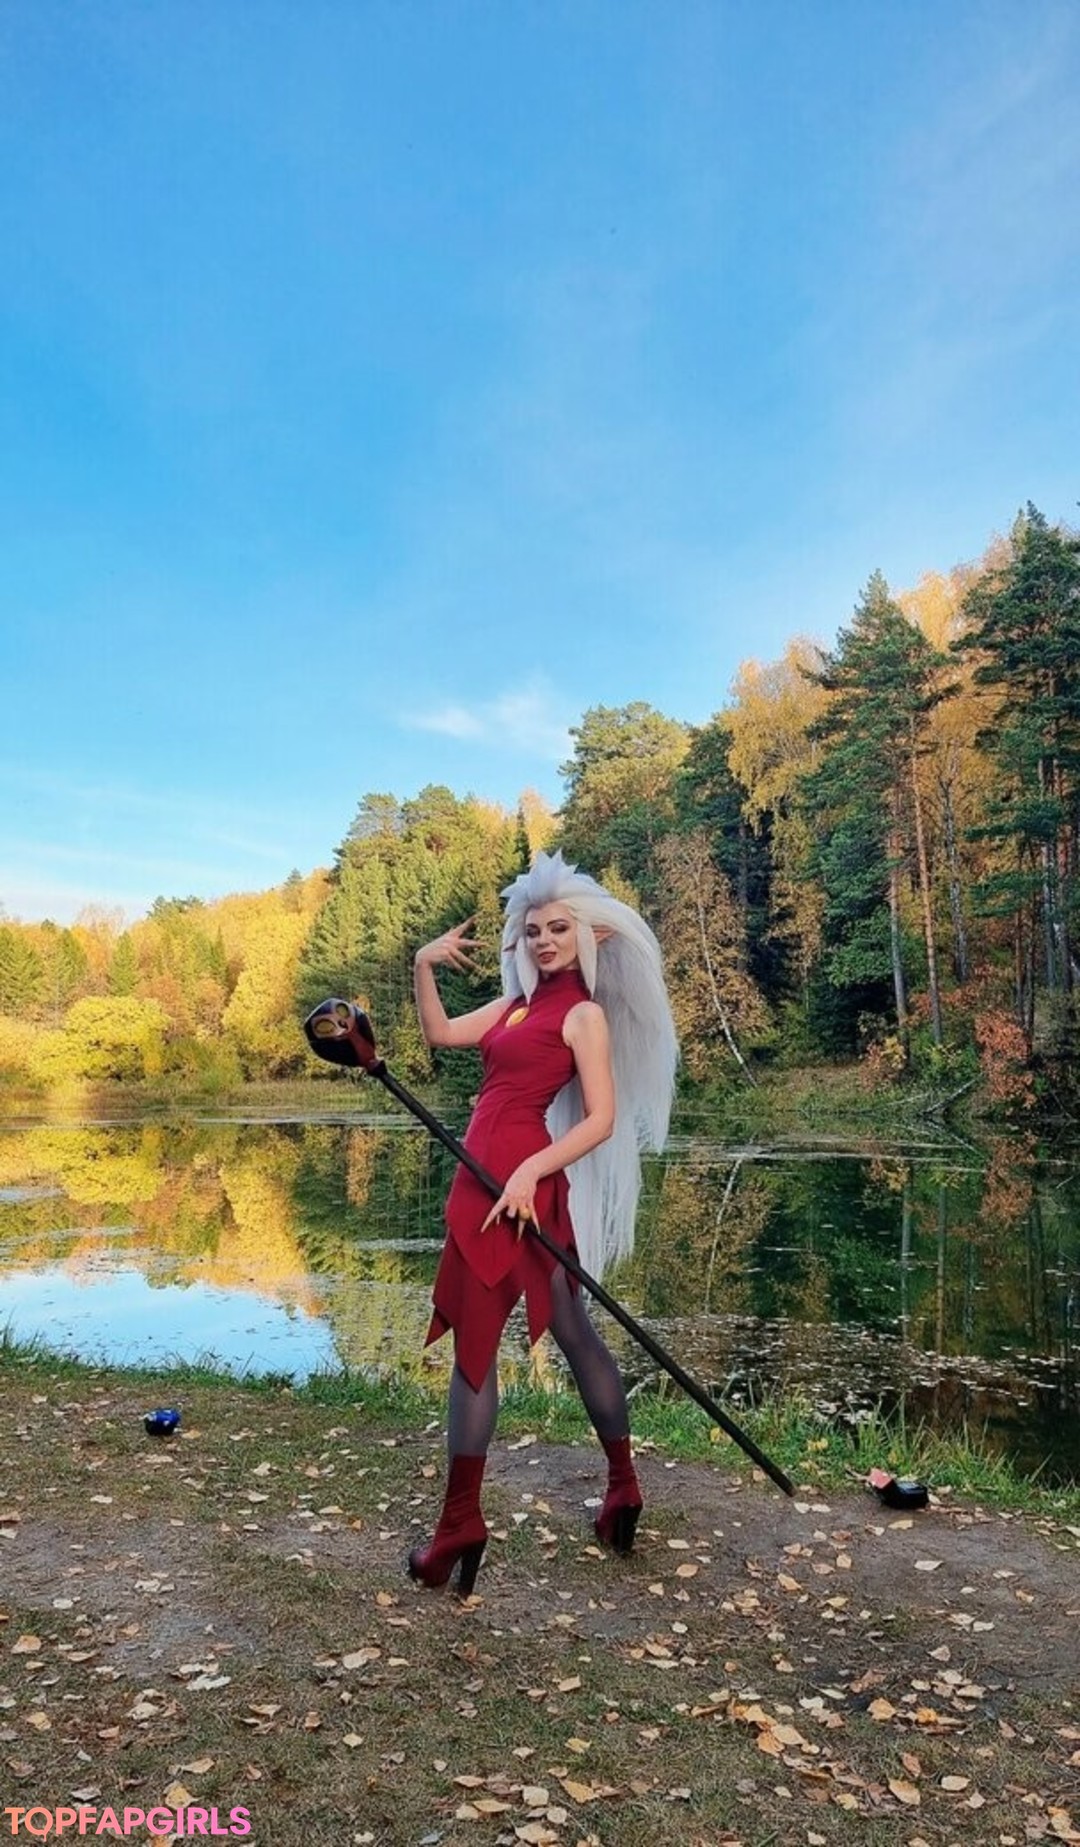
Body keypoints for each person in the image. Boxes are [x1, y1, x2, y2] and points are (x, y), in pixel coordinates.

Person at [408, 849, 678, 1594]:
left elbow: (601, 1118)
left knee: (477, 1351)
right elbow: (439, 1034)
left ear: (588, 935)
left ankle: (459, 1524)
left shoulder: (583, 1016)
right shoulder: (514, 1007)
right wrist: (423, 963)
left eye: (558, 928)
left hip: (517, 1190)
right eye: (533, 931)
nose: (544, 941)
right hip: (485, 1179)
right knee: (571, 1330)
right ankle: (622, 1488)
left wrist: (532, 1170)